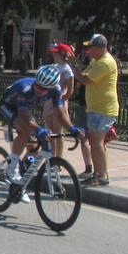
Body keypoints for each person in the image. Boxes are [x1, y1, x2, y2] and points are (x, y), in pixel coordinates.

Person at [0, 67, 81, 187]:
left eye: (43, 89)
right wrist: (39, 129)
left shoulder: (56, 90)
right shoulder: (24, 89)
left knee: (34, 146)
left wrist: (72, 129)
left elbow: (60, 113)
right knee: (26, 130)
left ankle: (20, 179)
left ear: (52, 87)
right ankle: (12, 166)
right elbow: (23, 117)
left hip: (24, 110)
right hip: (8, 107)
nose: (39, 89)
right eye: (38, 85)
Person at [71, 34, 119, 186]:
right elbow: (84, 75)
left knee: (97, 143)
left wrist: (73, 67)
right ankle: (97, 173)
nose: (89, 50)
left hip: (104, 108)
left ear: (99, 48)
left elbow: (85, 80)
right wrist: (75, 64)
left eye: (91, 47)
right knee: (95, 142)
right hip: (95, 107)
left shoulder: (105, 63)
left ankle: (102, 176)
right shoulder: (95, 61)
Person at [47, 43, 94, 178]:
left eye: (56, 52)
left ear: (63, 54)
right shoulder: (53, 67)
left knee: (58, 132)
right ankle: (51, 160)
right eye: (54, 52)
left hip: (59, 102)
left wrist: (62, 99)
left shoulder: (67, 69)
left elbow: (70, 88)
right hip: (49, 102)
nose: (54, 54)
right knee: (50, 132)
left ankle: (58, 161)